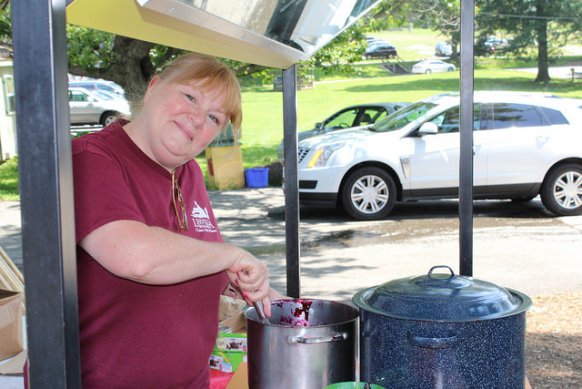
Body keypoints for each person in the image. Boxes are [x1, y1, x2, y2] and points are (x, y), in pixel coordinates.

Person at [71, 52, 281, 387]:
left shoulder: (189, 173)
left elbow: (190, 258)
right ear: (154, 87)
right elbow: (136, 257)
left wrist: (241, 281)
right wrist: (231, 255)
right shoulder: (91, 158)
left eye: (214, 117)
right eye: (190, 97)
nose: (198, 119)